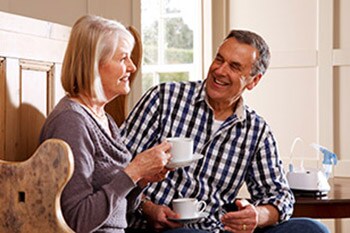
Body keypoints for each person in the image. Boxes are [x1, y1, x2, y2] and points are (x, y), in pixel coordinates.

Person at [121, 29, 330, 233]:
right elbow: (116, 166)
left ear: (253, 81)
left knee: (312, 229)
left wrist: (257, 215)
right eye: (219, 59)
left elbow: (280, 197)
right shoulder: (164, 98)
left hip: (216, 228)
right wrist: (146, 207)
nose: (220, 70)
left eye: (234, 66)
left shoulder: (256, 131)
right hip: (151, 226)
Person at [39, 15, 172, 233]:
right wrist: (133, 171)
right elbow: (77, 220)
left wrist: (139, 181)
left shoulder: (104, 119)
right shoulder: (71, 122)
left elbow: (118, 212)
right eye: (123, 59)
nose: (132, 66)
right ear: (94, 64)